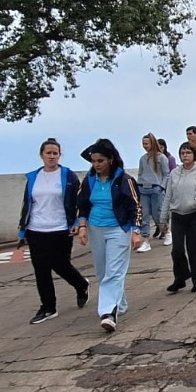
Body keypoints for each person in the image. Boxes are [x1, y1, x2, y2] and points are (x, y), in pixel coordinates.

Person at [17, 138, 90, 324]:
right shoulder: (34, 177)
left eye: (55, 153)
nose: (51, 156)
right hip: (36, 229)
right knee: (41, 269)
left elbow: (78, 202)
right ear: (41, 155)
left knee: (61, 265)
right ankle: (48, 307)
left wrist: (78, 222)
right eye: (48, 153)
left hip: (60, 229)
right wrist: (22, 229)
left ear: (59, 155)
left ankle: (81, 284)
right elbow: (28, 203)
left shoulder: (68, 176)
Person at [76, 138, 143, 334]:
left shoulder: (124, 180)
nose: (96, 165)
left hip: (118, 229)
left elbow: (136, 206)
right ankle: (119, 305)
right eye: (94, 161)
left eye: (100, 161)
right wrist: (81, 226)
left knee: (114, 272)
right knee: (102, 272)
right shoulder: (89, 180)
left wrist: (136, 231)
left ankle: (107, 313)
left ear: (110, 160)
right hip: (96, 228)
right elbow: (82, 204)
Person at [164, 142, 196, 293]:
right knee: (177, 249)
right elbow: (168, 196)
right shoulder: (174, 173)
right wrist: (163, 218)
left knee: (195, 248)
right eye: (182, 153)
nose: (185, 155)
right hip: (177, 214)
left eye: (188, 152)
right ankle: (180, 278)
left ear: (194, 155)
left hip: (194, 214)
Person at [136, 134, 169, 251]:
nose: (144, 146)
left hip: (156, 189)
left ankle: (167, 232)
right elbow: (140, 173)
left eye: (146, 143)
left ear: (152, 143)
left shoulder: (161, 158)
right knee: (144, 215)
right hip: (143, 189)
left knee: (158, 214)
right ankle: (145, 240)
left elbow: (166, 174)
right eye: (143, 144)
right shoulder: (143, 158)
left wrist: (161, 187)